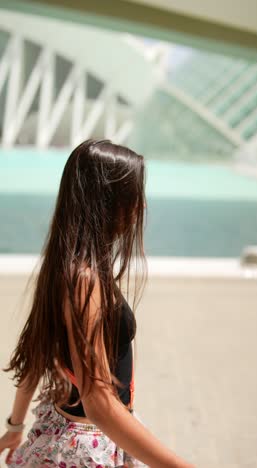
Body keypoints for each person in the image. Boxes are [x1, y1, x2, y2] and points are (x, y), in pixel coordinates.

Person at [0, 139, 195, 468]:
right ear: (108, 200)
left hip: (69, 434)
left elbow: (35, 354)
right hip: (88, 447)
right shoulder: (85, 281)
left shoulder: (67, 265)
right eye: (134, 195)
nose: (141, 206)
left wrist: (15, 426)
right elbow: (100, 403)